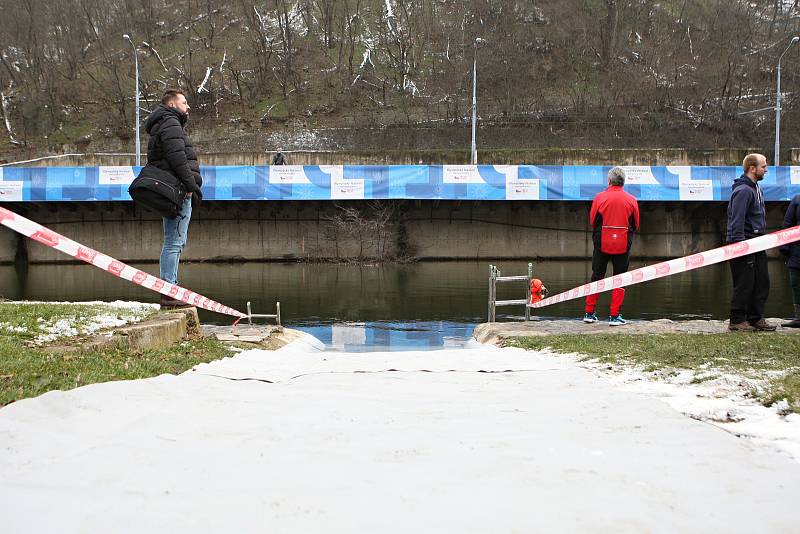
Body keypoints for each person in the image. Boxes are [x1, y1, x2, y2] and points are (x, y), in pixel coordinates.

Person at [143, 89, 203, 307]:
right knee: (174, 242)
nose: (188, 107)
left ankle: (170, 287)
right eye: (184, 102)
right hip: (179, 191)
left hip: (176, 190)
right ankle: (170, 290)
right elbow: (178, 158)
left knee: (175, 241)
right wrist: (191, 186)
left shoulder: (164, 123)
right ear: (171, 104)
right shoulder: (170, 123)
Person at [583, 166, 640, 326]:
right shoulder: (632, 200)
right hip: (622, 244)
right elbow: (636, 224)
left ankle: (589, 312)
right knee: (620, 278)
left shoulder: (599, 198)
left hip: (601, 243)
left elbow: (593, 221)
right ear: (623, 182)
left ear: (609, 181)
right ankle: (614, 316)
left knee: (597, 275)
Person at [726, 153, 775, 331]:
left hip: (758, 242)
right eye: (764, 166)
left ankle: (756, 318)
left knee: (762, 281)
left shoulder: (756, 189)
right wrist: (740, 246)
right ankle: (737, 320)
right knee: (745, 283)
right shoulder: (743, 191)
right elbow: (736, 221)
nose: (766, 169)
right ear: (752, 169)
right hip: (744, 243)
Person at [779, 193, 800, 328]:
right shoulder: (797, 200)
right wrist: (784, 248)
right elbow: (787, 224)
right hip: (797, 252)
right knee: (796, 284)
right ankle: (798, 317)